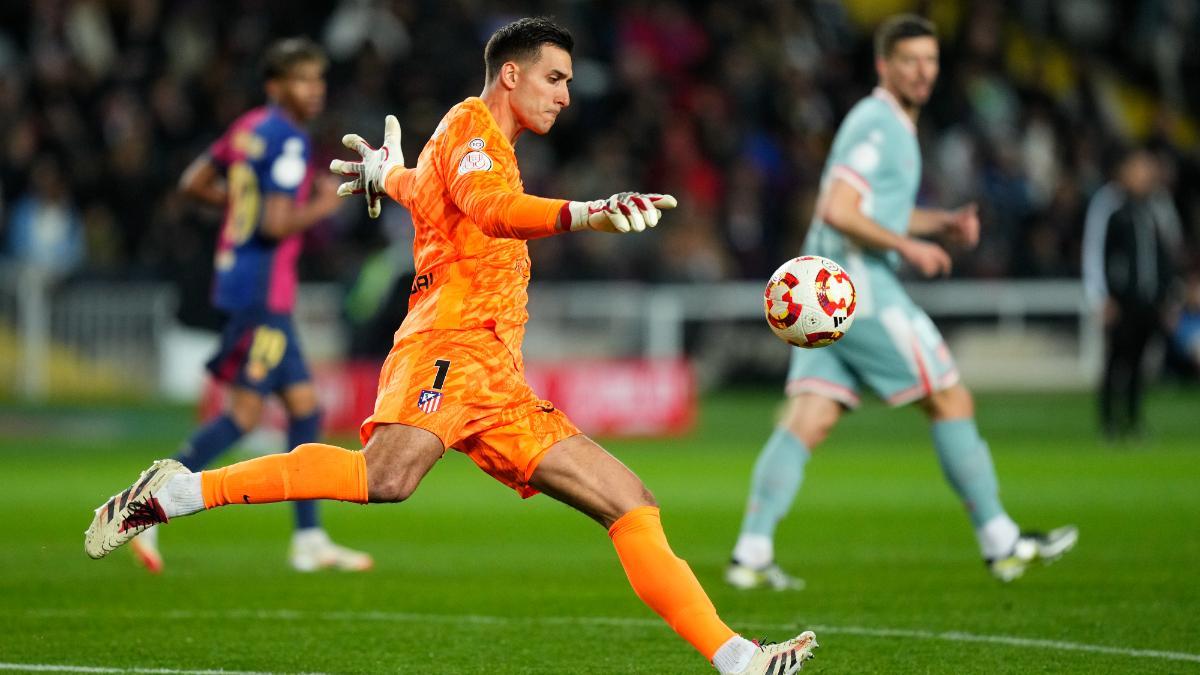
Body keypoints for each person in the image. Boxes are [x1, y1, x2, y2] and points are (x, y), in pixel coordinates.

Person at [87, 18, 818, 674]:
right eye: (555, 78)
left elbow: (434, 190)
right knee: (387, 475)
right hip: (449, 340)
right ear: (512, 73)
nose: (565, 96)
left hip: (495, 374)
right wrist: (585, 213)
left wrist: (387, 175)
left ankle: (737, 658)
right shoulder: (473, 129)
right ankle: (178, 491)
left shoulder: (473, 142)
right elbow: (492, 210)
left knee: (629, 500)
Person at [725, 14, 1078, 590]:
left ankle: (751, 553)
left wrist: (936, 223)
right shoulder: (878, 124)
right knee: (950, 397)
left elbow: (867, 209)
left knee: (809, 419)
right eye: (909, 60)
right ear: (883, 65)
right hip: (860, 294)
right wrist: (911, 247)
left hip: (827, 295)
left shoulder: (887, 125)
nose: (923, 72)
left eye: (930, 61)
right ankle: (1002, 542)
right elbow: (839, 209)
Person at [127, 37, 373, 574]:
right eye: (302, 80)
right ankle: (144, 506)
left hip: (246, 287)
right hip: (264, 295)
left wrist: (238, 204)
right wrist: (325, 204)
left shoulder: (247, 130)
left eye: (319, 79)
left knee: (305, 407)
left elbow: (193, 184)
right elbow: (275, 225)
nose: (315, 90)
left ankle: (309, 539)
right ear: (275, 86)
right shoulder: (287, 140)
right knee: (242, 415)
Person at [1083, 147, 1181, 441]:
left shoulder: (1156, 206)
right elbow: (1094, 250)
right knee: (1116, 361)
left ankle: (1134, 420)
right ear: (1124, 170)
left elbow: (1167, 253)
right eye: (1139, 168)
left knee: (1140, 363)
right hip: (1119, 301)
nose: (1145, 174)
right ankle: (1109, 422)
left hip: (1149, 299)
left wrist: (1169, 295)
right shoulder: (1109, 203)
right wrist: (1100, 296)